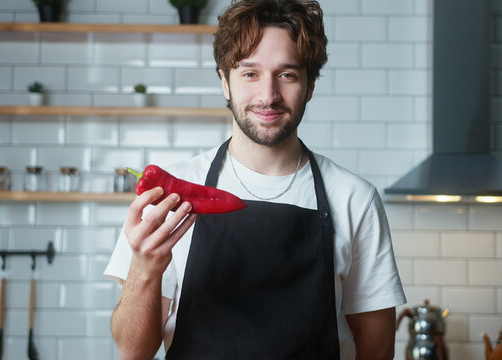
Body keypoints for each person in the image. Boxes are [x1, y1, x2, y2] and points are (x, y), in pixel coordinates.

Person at [104, 0, 405, 359]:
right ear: (224, 83)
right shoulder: (169, 195)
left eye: (288, 74)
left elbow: (378, 347)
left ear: (310, 86)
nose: (268, 95)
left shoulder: (354, 199)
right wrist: (144, 270)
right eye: (250, 73)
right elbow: (132, 352)